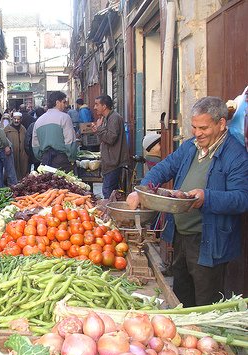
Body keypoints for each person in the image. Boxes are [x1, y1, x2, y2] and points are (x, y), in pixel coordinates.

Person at [127, 96, 248, 307]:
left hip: (208, 241)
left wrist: (206, 197)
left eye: (203, 128)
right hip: (181, 236)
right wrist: (143, 189)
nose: (197, 133)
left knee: (205, 301)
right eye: (194, 127)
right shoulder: (191, 146)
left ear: (221, 124)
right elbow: (166, 167)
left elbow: (241, 198)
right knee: (181, 295)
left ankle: (206, 337)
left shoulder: (235, 155)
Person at [92, 95, 130, 198]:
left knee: (108, 192)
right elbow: (105, 137)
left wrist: (99, 129)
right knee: (110, 191)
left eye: (97, 104)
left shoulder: (114, 118)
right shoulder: (107, 118)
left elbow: (110, 139)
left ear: (104, 106)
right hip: (110, 161)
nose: (95, 107)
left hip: (113, 162)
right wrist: (98, 130)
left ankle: (109, 213)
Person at [31, 91, 78, 172]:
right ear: (57, 102)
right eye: (63, 102)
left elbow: (35, 145)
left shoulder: (39, 121)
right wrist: (72, 158)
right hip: (62, 161)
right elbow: (70, 141)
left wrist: (42, 157)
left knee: (49, 183)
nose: (65, 105)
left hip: (45, 161)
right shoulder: (64, 117)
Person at [5, 112, 29, 180]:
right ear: (12, 119)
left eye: (18, 119)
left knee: (23, 169)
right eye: (15, 119)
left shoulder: (23, 129)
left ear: (21, 120)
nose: (16, 121)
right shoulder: (7, 129)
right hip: (12, 154)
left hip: (22, 154)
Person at [25, 107, 45, 172]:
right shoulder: (47, 125)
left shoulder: (33, 125)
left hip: (35, 152)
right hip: (46, 153)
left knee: (36, 171)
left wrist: (28, 151)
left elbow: (27, 139)